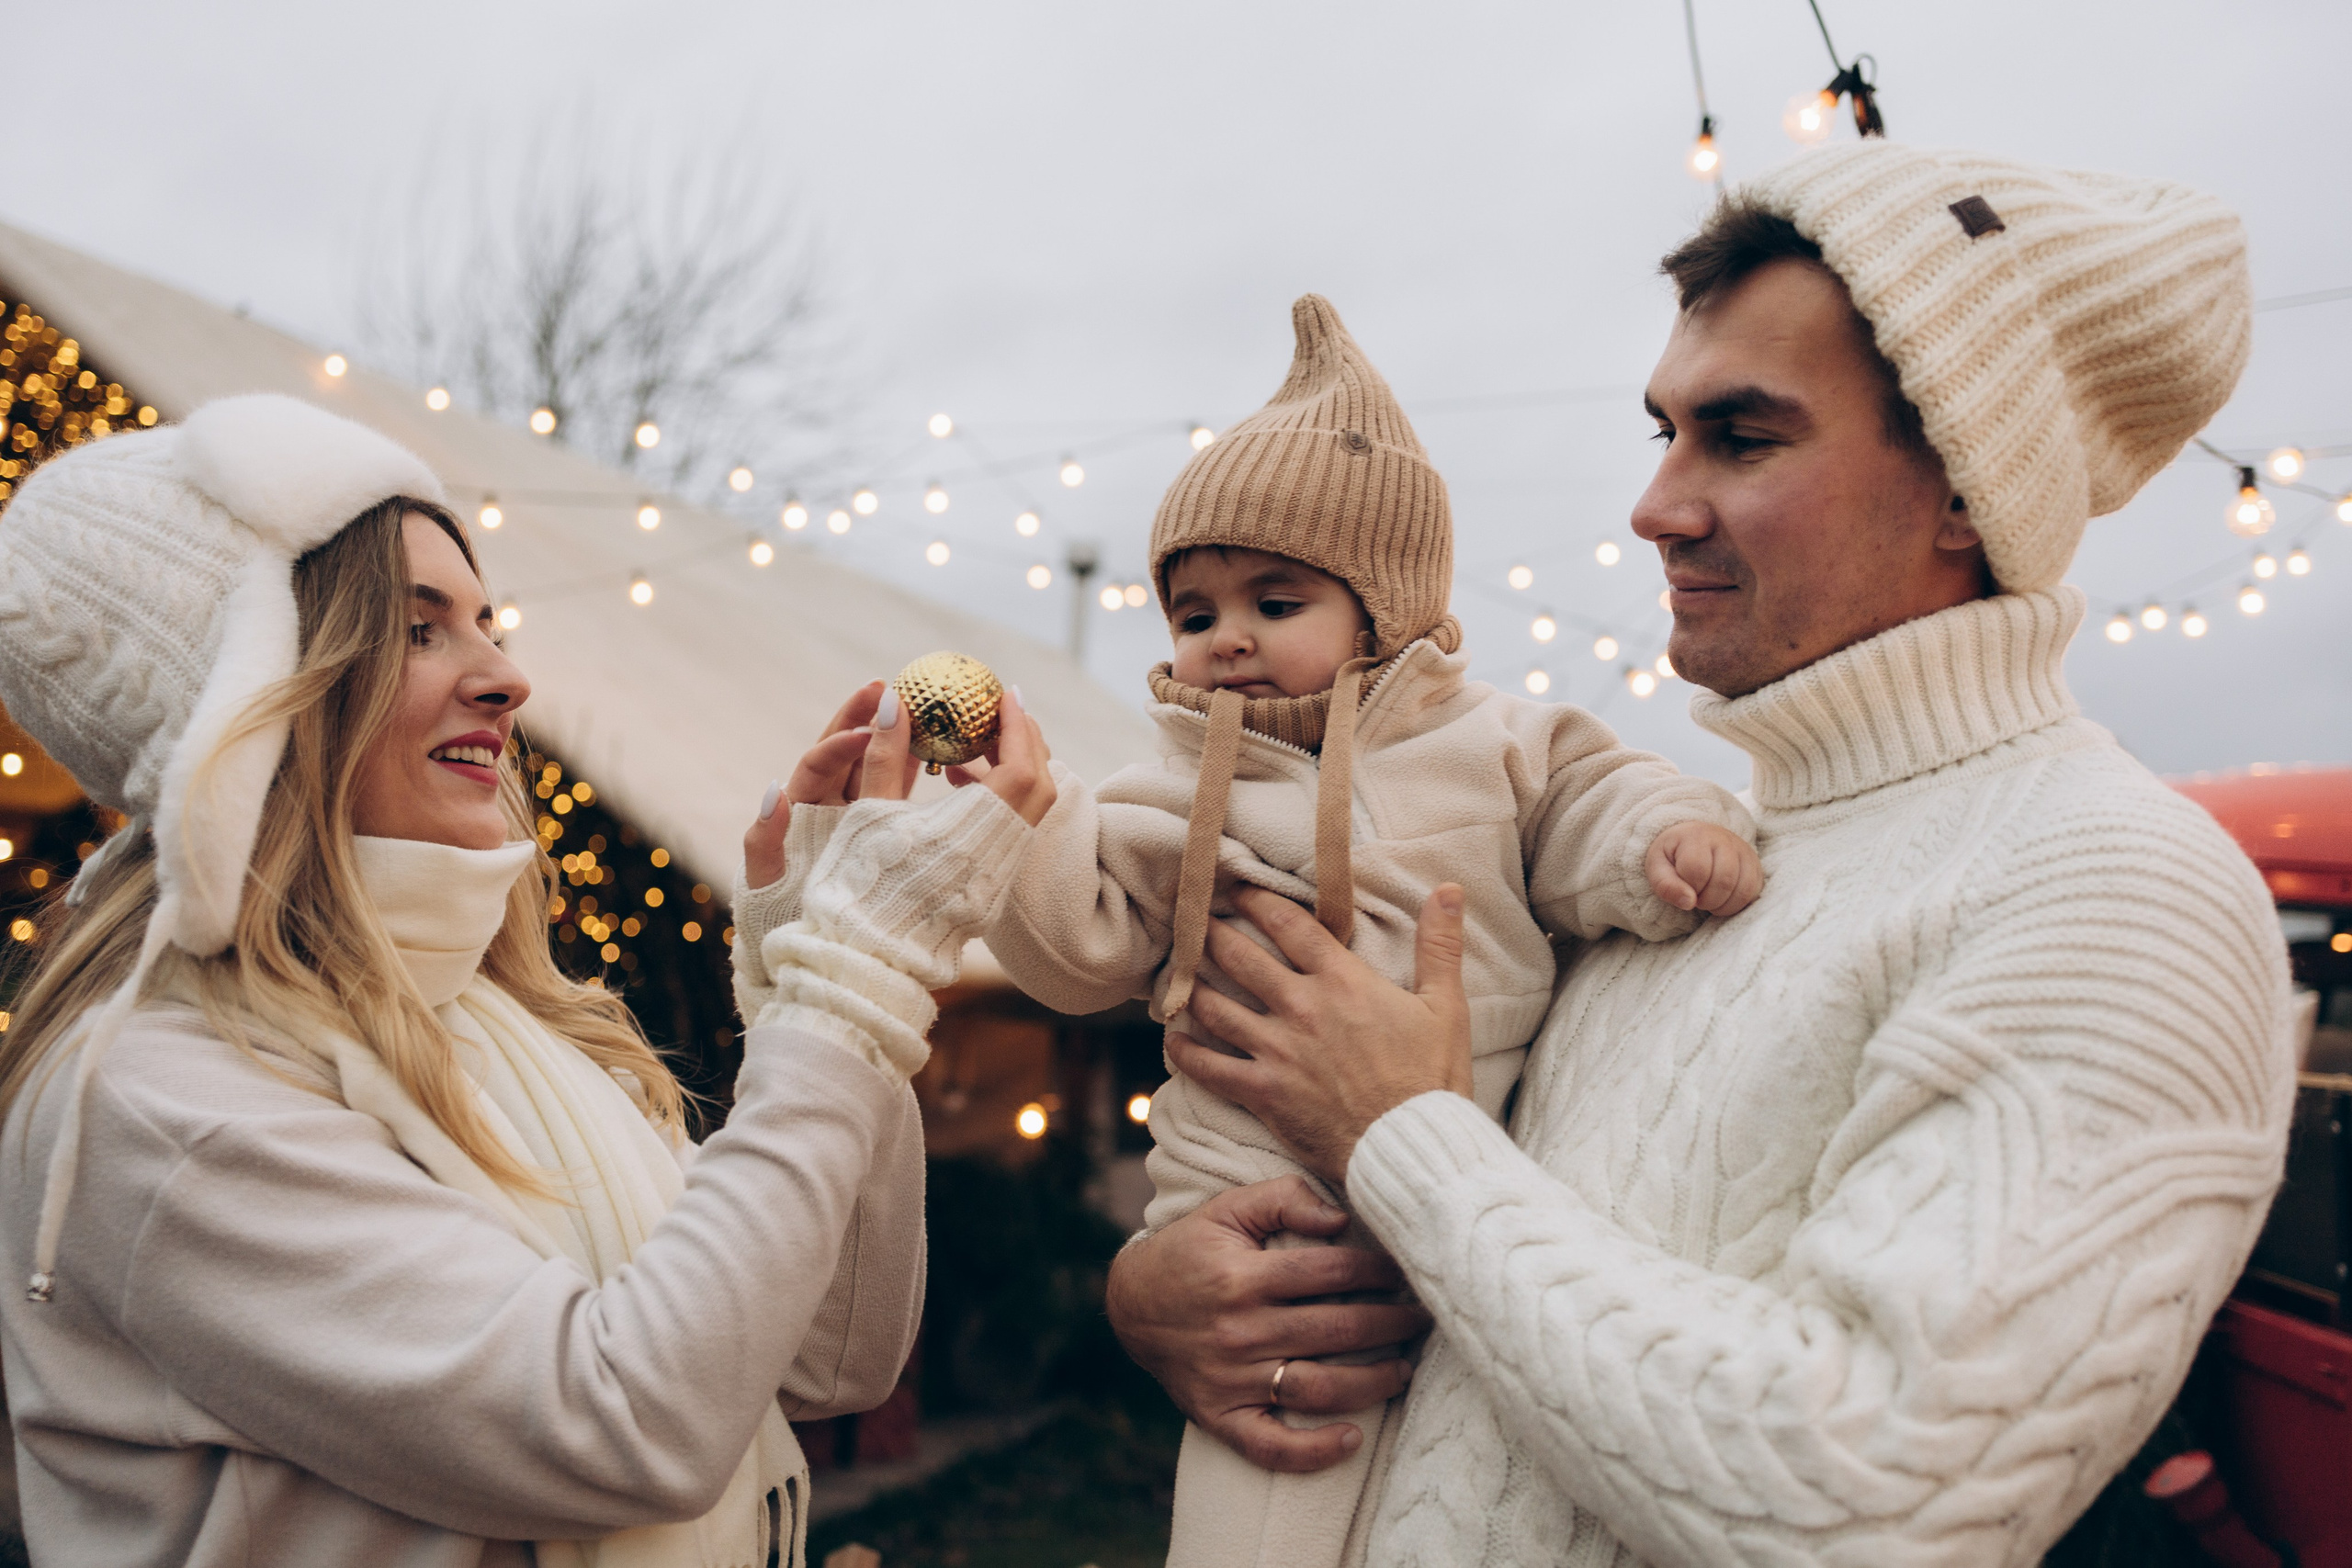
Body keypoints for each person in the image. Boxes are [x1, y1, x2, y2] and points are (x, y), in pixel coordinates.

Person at [1101, 144, 2300, 1564]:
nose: (1656, 503)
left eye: (1742, 437)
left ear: (1969, 488)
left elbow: (1873, 1498)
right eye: (1661, 430)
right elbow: (1506, 1305)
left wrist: (1395, 1132)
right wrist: (1169, 1291)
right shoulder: (1678, 860)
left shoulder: (2119, 890)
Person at [0, 393, 1051, 1568]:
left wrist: (808, 958)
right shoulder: (161, 1096)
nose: (506, 677)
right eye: (417, 629)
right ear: (247, 703)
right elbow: (628, 1425)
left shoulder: (505, 1021)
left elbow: (822, 1350)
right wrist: (856, 973)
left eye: (487, 623)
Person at [978, 294, 1762, 1567]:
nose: (1225, 636)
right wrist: (1023, 823)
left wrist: (1661, 843)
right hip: (1257, 1231)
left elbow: (1591, 802)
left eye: (1276, 599)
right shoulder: (1170, 791)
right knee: (1257, 1520)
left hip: (1476, 1215)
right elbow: (1077, 945)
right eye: (1193, 610)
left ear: (1383, 601)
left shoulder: (1498, 743)